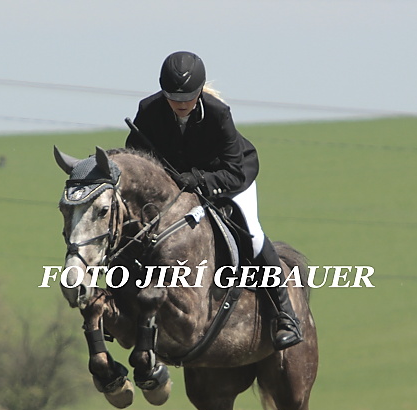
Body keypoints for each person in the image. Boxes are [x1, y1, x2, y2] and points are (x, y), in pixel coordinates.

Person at [125, 51, 302, 351]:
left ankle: (286, 315)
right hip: (177, 186)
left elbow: (233, 170)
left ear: (199, 91)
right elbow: (138, 161)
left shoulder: (218, 114)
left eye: (188, 97)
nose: (181, 103)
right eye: (174, 97)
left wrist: (199, 179)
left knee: (252, 234)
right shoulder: (149, 110)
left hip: (229, 178)